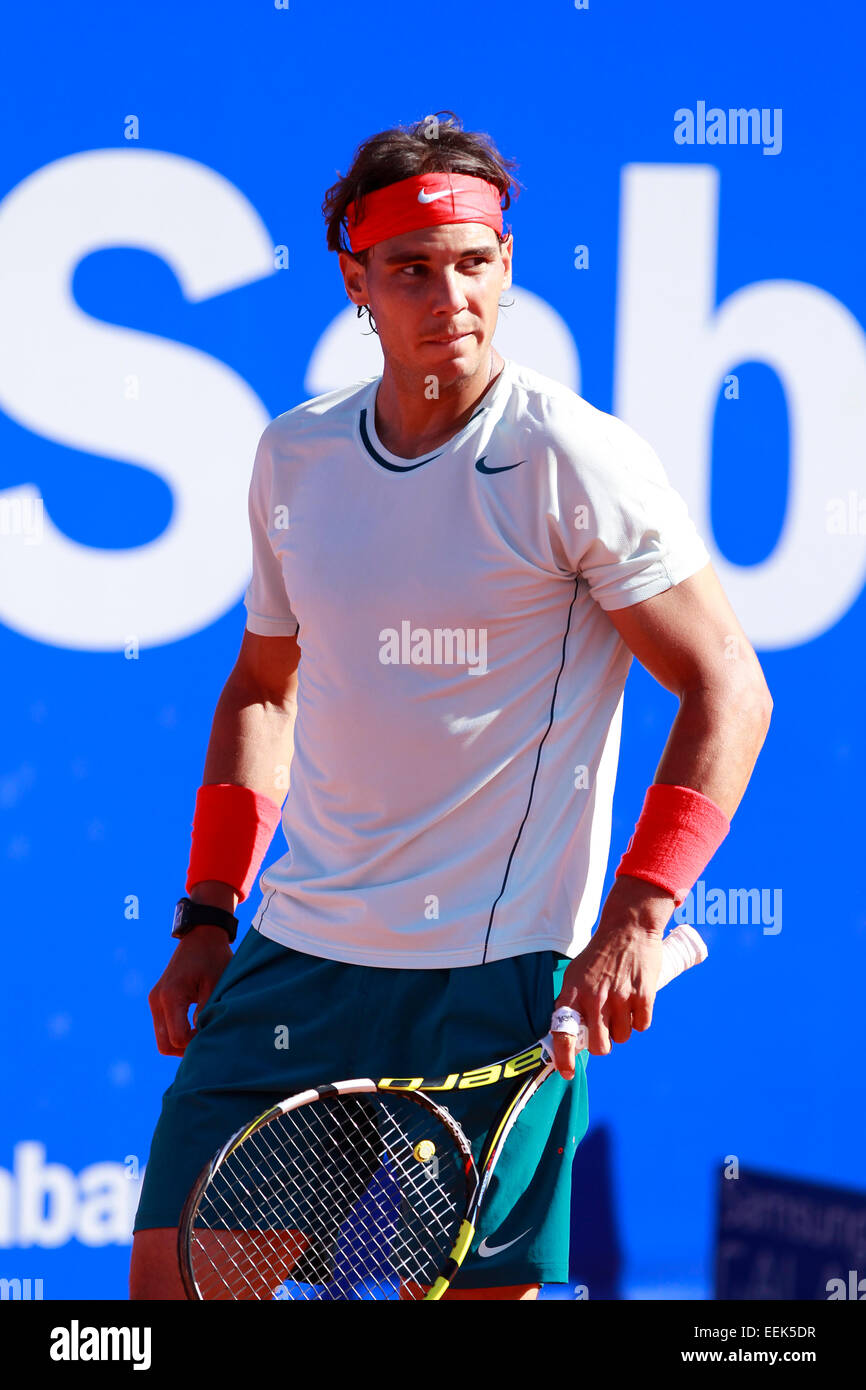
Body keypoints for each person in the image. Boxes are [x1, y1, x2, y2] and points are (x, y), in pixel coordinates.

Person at [129, 111, 772, 1301]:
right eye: (412, 269)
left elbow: (726, 685)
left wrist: (637, 910)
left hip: (498, 982)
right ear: (356, 281)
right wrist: (207, 914)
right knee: (168, 1300)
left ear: (506, 267)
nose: (450, 295)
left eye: (473, 262)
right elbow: (264, 688)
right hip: (296, 958)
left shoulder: (574, 460)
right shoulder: (296, 457)